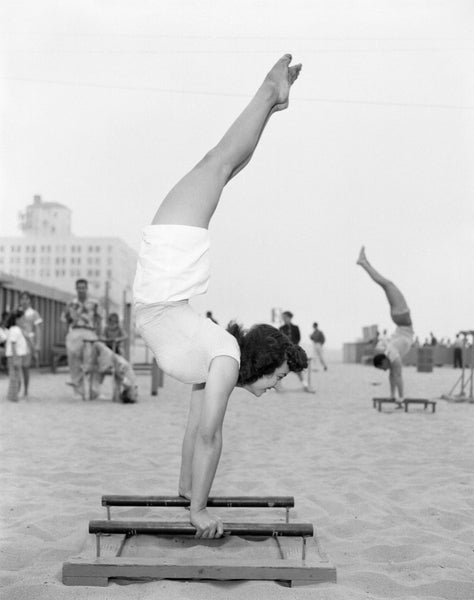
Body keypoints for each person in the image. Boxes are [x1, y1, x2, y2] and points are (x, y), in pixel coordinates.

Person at [133, 55, 307, 538]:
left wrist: (189, 492)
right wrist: (198, 512)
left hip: (167, 281)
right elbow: (211, 436)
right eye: (279, 377)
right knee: (220, 163)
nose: (276, 387)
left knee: (221, 166)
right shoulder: (225, 358)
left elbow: (195, 431)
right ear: (263, 362)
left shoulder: (215, 360)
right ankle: (270, 94)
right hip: (167, 277)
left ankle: (272, 99)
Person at [357, 246, 414, 405]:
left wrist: (398, 398)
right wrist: (394, 397)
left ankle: (364, 263)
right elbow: (394, 376)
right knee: (386, 284)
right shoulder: (391, 355)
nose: (384, 370)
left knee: (387, 284)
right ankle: (364, 262)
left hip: (402, 319)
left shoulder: (392, 354)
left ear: (384, 362)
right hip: (400, 318)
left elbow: (397, 376)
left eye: (382, 368)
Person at [61, 279, 102, 399]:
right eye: (79, 287)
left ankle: (94, 390)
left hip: (89, 331)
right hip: (75, 331)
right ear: (76, 289)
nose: (81, 290)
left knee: (92, 360)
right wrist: (66, 334)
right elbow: (64, 320)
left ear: (87, 288)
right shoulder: (71, 304)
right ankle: (78, 391)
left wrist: (98, 334)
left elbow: (99, 320)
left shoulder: (94, 303)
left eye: (83, 287)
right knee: (74, 360)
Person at [278, 311, 311, 391]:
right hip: (283, 352)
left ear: (289, 318)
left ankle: (305, 386)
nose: (284, 319)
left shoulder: (295, 328)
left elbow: (298, 338)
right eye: (283, 317)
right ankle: (279, 387)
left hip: (293, 352)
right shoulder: (281, 328)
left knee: (298, 370)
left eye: (285, 317)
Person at [18, 291, 43, 396]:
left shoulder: (34, 313)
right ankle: (17, 389)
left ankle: (26, 390)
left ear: (30, 300)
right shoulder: (16, 312)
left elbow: (38, 329)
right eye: (22, 298)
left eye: (27, 299)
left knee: (25, 367)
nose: (24, 301)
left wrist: (38, 344)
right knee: (17, 366)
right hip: (17, 342)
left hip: (28, 343)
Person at [5, 310, 29, 402]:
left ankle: (11, 395)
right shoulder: (15, 330)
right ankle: (13, 396)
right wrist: (15, 358)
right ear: (17, 320)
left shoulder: (17, 330)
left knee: (15, 376)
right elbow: (13, 344)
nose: (24, 322)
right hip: (15, 357)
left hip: (16, 356)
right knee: (15, 377)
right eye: (23, 319)